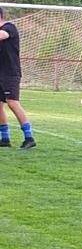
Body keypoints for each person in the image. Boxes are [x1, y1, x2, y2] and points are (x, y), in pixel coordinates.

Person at [0, 9, 36, 149]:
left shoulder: (9, 27)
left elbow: (2, 35)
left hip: (10, 73)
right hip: (1, 73)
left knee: (12, 102)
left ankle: (29, 137)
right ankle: (5, 139)